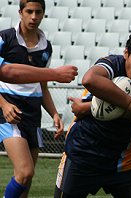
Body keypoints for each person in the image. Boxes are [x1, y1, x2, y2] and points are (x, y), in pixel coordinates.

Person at [55, 29, 131, 198]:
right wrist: (130, 104)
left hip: (123, 163)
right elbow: (89, 79)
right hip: (83, 157)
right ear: (126, 53)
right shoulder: (113, 64)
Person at [0, 0, 77, 197]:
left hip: (32, 114)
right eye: (29, 11)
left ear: (43, 13)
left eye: (38, 12)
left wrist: (53, 113)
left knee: (25, 181)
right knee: (25, 171)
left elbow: (41, 84)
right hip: (9, 113)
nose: (34, 17)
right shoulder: (5, 38)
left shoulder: (46, 47)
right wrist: (4, 104)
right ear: (20, 12)